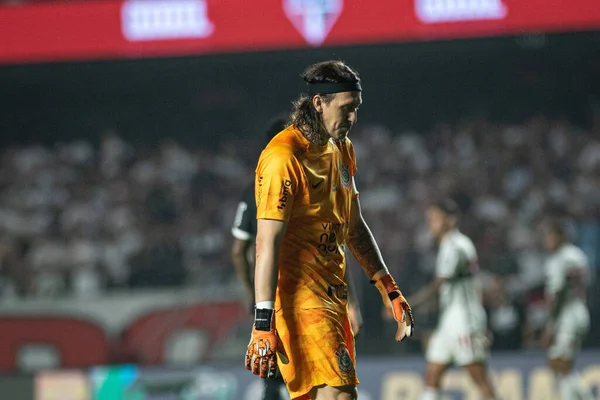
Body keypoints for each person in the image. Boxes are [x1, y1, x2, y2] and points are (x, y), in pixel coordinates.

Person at [244, 60, 414, 400]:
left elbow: (353, 224)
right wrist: (262, 322)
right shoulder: (283, 157)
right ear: (319, 103)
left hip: (332, 299)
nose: (352, 119)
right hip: (301, 303)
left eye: (356, 109)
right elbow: (266, 243)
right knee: (340, 396)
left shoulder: (342, 150)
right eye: (346, 109)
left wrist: (386, 284)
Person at [410, 199, 497, 400]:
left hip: (465, 322)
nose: (430, 224)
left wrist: (406, 304)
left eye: (434, 219)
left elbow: (438, 284)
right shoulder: (448, 246)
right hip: (449, 321)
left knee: (480, 381)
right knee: (432, 375)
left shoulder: (456, 245)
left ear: (449, 220)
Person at [541, 219, 592, 400]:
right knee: (563, 365)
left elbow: (556, 296)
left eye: (549, 236)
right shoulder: (579, 255)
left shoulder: (558, 259)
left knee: (559, 362)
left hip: (567, 316)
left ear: (559, 237)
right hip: (581, 311)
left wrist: (550, 326)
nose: (545, 240)